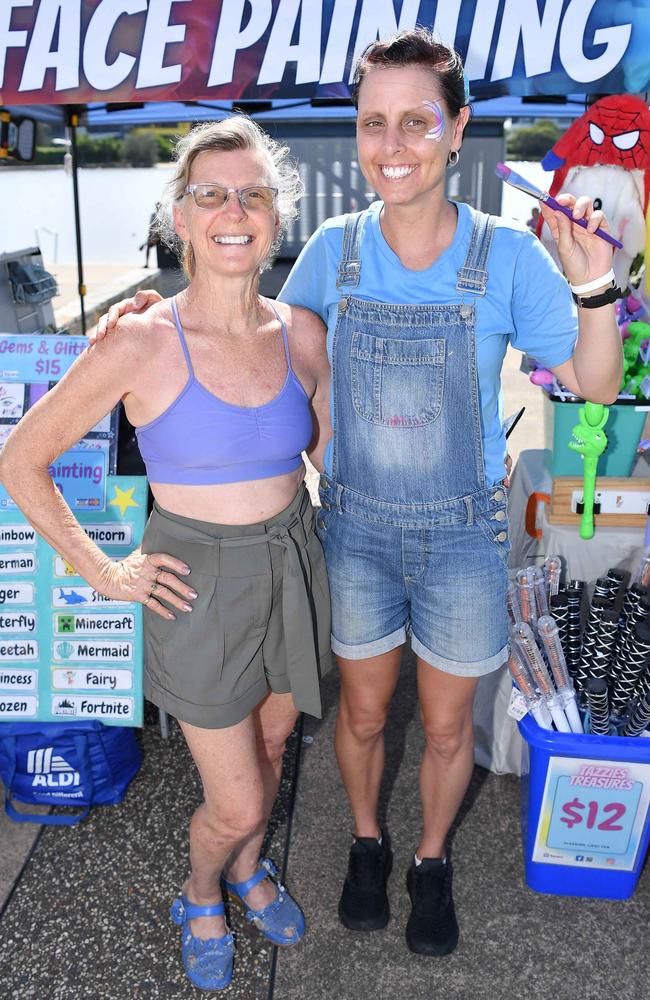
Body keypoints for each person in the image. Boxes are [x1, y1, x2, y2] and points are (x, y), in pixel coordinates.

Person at [95, 29, 622, 958]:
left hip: (462, 537)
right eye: (374, 122)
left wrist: (595, 287)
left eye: (418, 121)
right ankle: (369, 844)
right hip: (357, 535)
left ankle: (429, 860)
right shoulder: (329, 254)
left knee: (450, 724)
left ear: (458, 131)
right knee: (367, 713)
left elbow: (598, 382)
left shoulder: (506, 257)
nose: (393, 145)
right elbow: (253, 339)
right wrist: (154, 309)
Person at [0, 117, 332, 992]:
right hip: (197, 582)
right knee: (239, 797)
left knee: (273, 750)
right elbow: (20, 459)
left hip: (293, 565)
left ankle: (250, 870)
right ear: (179, 217)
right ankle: (199, 892)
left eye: (254, 193)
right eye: (210, 193)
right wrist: (103, 571)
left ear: (276, 214)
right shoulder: (142, 339)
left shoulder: (301, 331)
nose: (234, 209)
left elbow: (321, 452)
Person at [138, 202, 161, 267]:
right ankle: (147, 263)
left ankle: (144, 244)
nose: (158, 207)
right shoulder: (153, 215)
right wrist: (150, 235)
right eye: (157, 206)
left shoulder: (163, 215)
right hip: (154, 237)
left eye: (159, 206)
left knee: (149, 242)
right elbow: (151, 227)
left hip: (161, 237)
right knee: (148, 245)